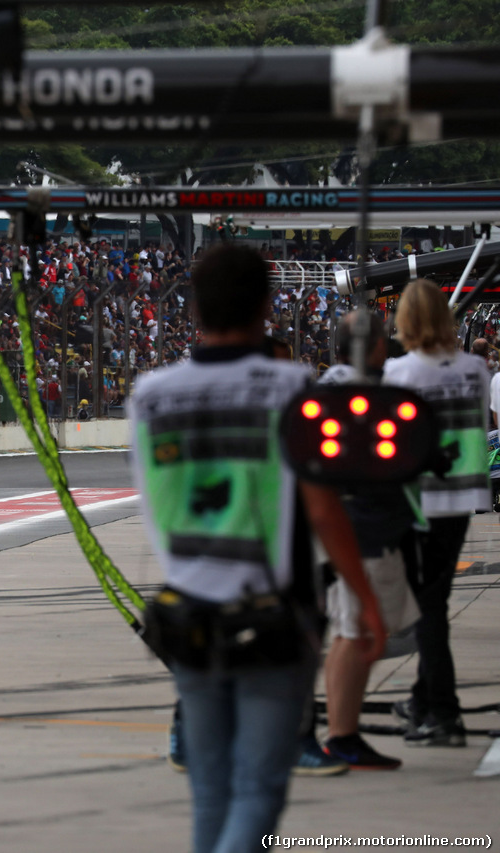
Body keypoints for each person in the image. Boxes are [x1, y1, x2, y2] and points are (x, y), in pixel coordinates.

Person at [130, 244, 385, 853]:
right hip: (273, 614)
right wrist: (364, 597)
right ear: (269, 307)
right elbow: (323, 508)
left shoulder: (150, 393)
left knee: (211, 791)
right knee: (258, 790)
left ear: (193, 309)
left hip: (186, 610)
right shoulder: (292, 385)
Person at [383, 278, 490, 747]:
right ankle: (423, 698)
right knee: (435, 602)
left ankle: (443, 711)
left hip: (418, 501)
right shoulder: (476, 368)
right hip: (462, 497)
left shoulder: (401, 374)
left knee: (426, 609)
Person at [318, 311, 421, 770]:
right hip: (365, 524)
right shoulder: (357, 390)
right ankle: (342, 734)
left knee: (352, 630)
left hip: (361, 523)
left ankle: (345, 732)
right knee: (355, 631)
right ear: (374, 346)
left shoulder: (335, 383)